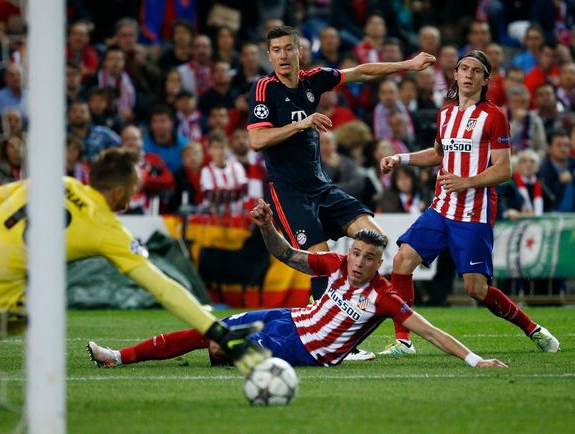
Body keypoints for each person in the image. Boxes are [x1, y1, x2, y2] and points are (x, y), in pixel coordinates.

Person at [0, 148, 268, 375]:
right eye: (135, 188)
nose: (136, 194)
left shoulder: (55, 181)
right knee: (38, 313)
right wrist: (216, 331)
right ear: (119, 191)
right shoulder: (108, 229)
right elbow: (164, 288)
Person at [87, 200, 507, 369]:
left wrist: (476, 361)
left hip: (305, 349)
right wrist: (268, 226)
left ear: (380, 262)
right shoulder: (336, 262)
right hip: (287, 318)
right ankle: (118, 357)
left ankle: (226, 357)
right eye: (356, 253)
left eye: (367, 258)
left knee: (217, 346)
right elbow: (287, 255)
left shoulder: (384, 297)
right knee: (206, 328)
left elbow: (432, 332)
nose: (358, 262)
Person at [378, 50, 560, 355]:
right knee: (401, 260)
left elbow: (504, 169)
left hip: (473, 214)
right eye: (463, 68)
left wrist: (466, 182)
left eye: (476, 71)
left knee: (476, 289)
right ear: (455, 74)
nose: (468, 74)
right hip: (441, 208)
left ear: (485, 79)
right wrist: (401, 158)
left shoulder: (494, 116)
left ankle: (533, 329)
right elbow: (439, 154)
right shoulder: (445, 113)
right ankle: (403, 342)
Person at [246, 25, 435, 303]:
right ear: (269, 56)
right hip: (290, 191)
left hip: (321, 186)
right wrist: (302, 124)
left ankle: (352, 310)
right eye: (276, 50)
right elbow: (257, 139)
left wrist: (408, 64)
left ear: (300, 51)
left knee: (375, 240)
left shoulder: (314, 79)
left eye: (288, 48)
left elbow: (362, 72)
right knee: (321, 264)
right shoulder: (263, 88)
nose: (283, 55)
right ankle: (329, 334)